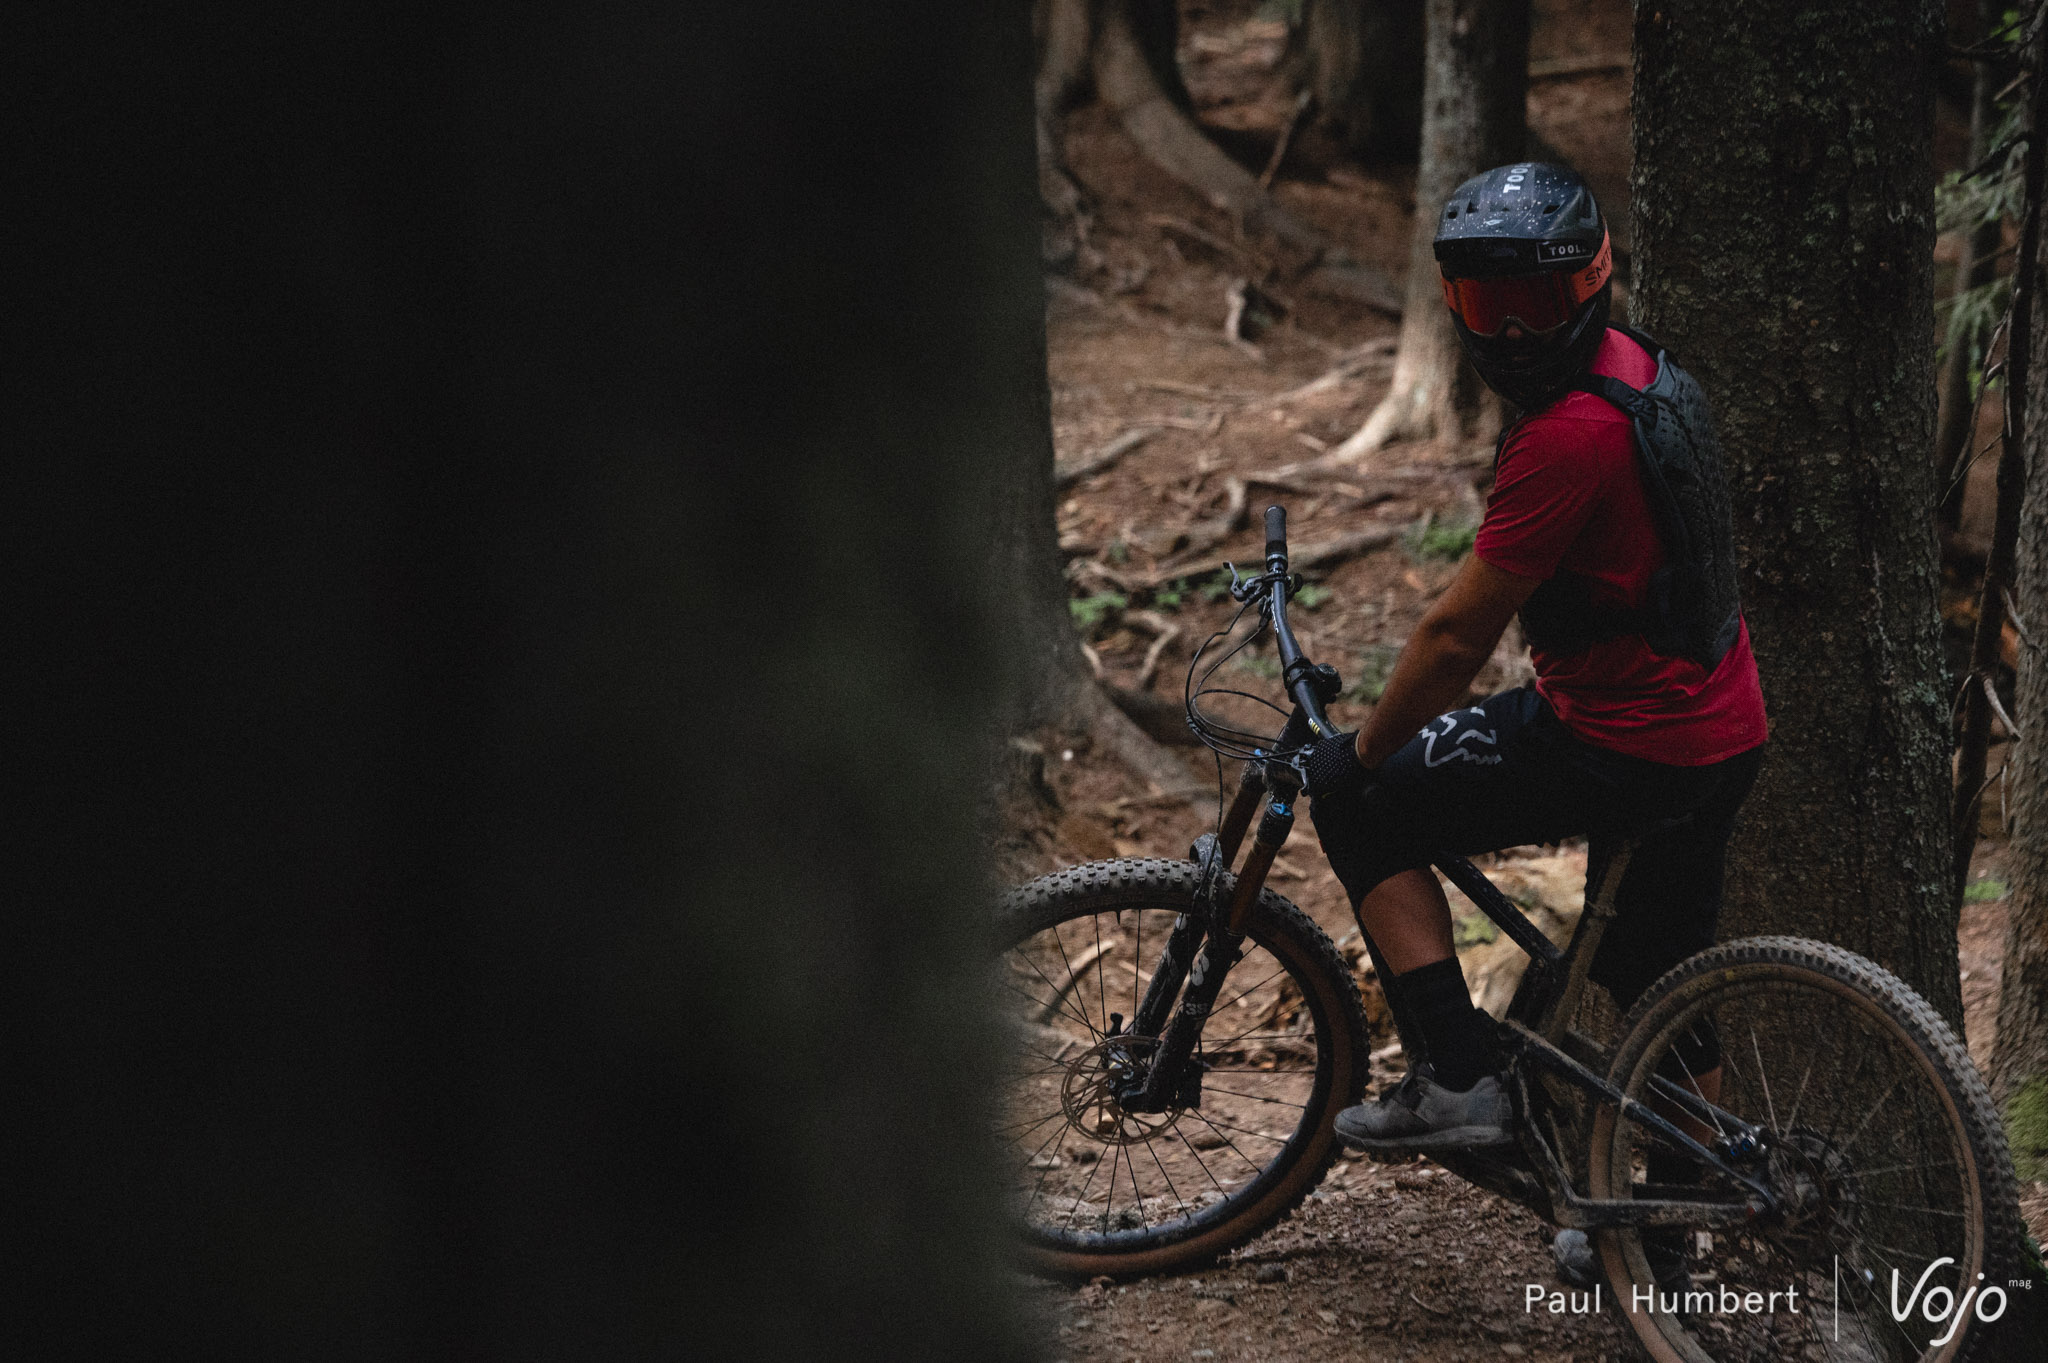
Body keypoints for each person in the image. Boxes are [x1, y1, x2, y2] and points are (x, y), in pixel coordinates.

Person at [1300, 162, 1767, 1165]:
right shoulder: (1640, 369)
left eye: (1537, 303)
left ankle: (1457, 1081)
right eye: (1487, 306)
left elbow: (1452, 640)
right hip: (1721, 727)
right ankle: (1675, 1214)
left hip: (1622, 741)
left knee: (1360, 802)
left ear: (1591, 281)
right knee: (1653, 974)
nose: (1512, 333)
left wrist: (1365, 750)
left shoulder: (1565, 437)